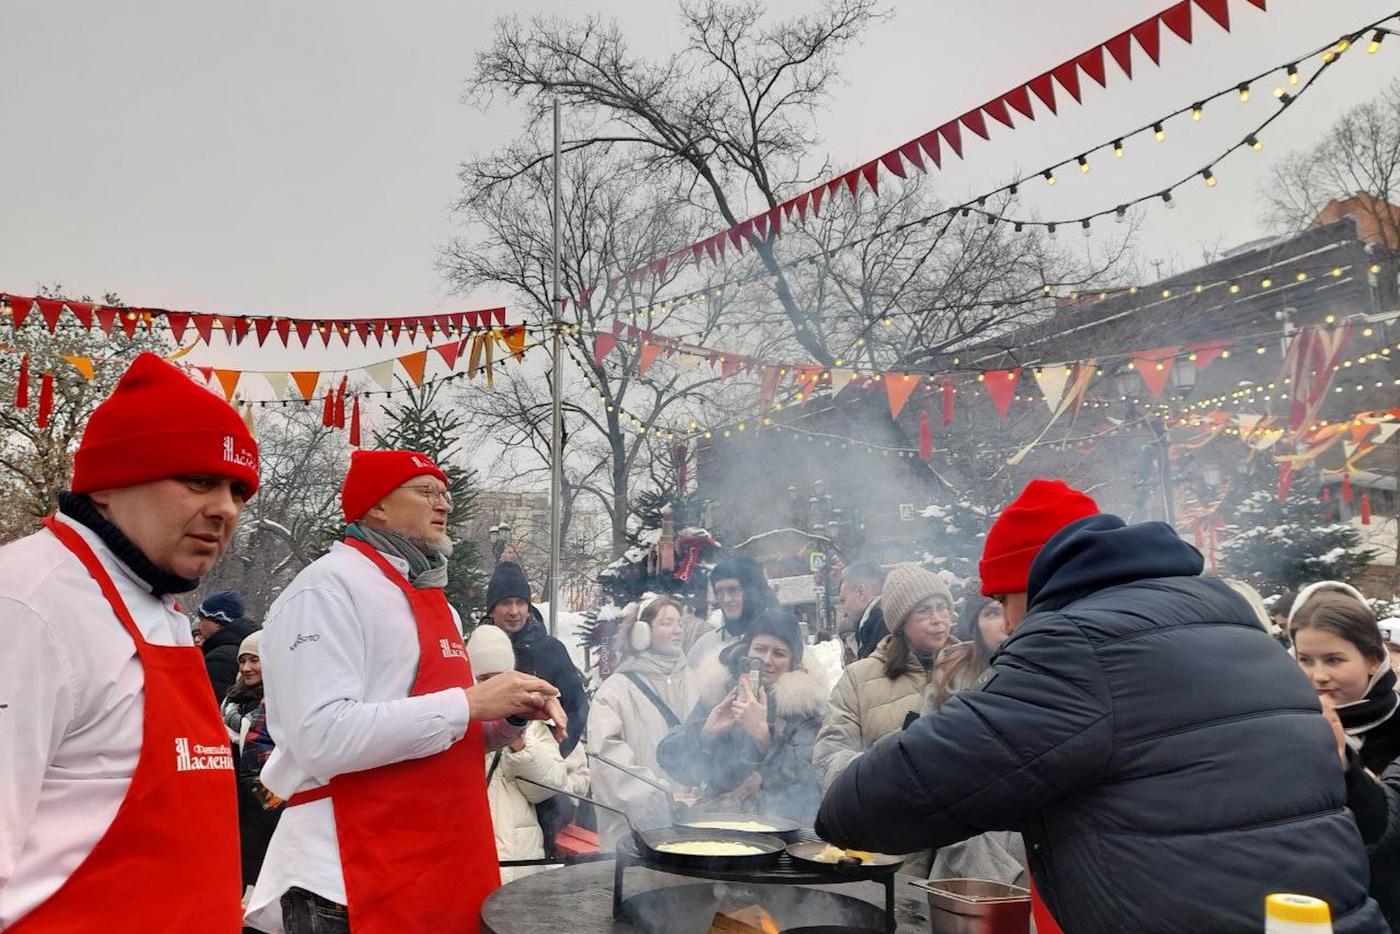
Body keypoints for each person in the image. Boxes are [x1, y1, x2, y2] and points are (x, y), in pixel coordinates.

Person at [816, 478, 1385, 934]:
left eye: (1001, 600)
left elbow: (863, 808)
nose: (1005, 623)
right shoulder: (1241, 631)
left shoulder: (1076, 649)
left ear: (1034, 588)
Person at [245, 450, 567, 934]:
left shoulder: (435, 601)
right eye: (425, 491)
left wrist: (507, 718)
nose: (443, 504)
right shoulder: (325, 589)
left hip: (434, 865)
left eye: (445, 492)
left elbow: (436, 732)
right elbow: (320, 737)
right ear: (375, 506)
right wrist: (468, 703)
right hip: (347, 881)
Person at [0, 352, 258, 930]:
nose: (225, 509)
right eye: (198, 481)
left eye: (238, 491)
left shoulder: (156, 602)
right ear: (113, 482)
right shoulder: (26, 605)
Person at [1292, 586, 1400, 930]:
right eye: (1305, 660)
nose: (1317, 675)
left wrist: (1344, 763)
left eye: (1334, 660)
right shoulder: (1283, 726)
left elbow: (1386, 829)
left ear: (1372, 659)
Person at [657, 609, 826, 824]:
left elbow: (810, 780)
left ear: (794, 661)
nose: (766, 660)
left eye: (779, 653)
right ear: (747, 652)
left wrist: (764, 738)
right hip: (718, 823)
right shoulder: (720, 693)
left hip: (780, 828)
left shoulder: (804, 708)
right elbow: (678, 767)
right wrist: (705, 734)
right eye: (760, 649)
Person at [812, 563, 953, 791]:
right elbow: (828, 758)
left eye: (942, 607)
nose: (938, 619)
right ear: (900, 621)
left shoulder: (975, 666)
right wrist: (889, 760)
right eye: (925, 610)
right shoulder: (858, 678)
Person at [467, 625, 582, 884]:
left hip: (521, 861)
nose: (494, 688)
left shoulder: (531, 722)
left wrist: (517, 740)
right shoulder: (460, 721)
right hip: (473, 857)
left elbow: (550, 784)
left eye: (500, 678)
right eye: (484, 680)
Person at [587, 595, 698, 848]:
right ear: (642, 632)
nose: (677, 630)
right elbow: (607, 763)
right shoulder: (615, 690)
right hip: (636, 835)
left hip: (693, 829)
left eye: (679, 622)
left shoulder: (697, 681)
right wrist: (661, 797)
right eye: (667, 623)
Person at [484, 561, 589, 758]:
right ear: (491, 609)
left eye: (520, 602)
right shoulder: (476, 651)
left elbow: (577, 707)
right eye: (505, 603)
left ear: (529, 607)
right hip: (487, 767)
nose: (514, 611)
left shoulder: (552, 650)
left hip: (538, 767)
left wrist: (554, 754)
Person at [220, 630, 282, 894]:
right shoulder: (231, 702)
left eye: (254, 660)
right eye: (242, 661)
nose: (246, 668)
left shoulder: (280, 703)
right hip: (234, 803)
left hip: (266, 803)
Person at [686, 556, 772, 667]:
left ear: (752, 591)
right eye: (719, 592)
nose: (726, 599)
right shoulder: (705, 644)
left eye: (733, 590)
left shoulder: (778, 644)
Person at [928, 593, 1007, 711]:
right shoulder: (950, 672)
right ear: (976, 626)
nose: (1006, 624)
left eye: (1021, 611)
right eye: (992, 613)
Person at [199, 590, 258, 702]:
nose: (199, 625)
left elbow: (211, 703)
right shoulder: (245, 646)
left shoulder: (219, 658)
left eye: (202, 619)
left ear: (217, 621)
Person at [836, 561, 886, 664]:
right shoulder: (878, 624)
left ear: (861, 592)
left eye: (844, 600)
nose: (844, 612)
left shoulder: (883, 626)